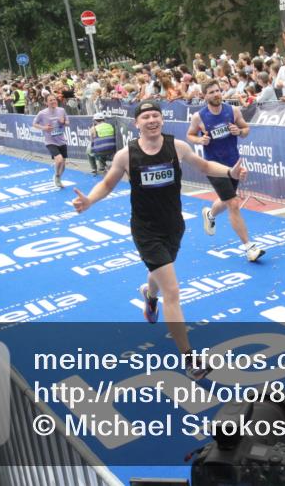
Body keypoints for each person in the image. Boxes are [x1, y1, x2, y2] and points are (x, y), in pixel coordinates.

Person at [72, 101, 248, 380]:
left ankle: (149, 295)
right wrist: (89, 201)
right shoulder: (125, 155)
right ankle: (190, 359)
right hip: (146, 230)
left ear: (162, 120)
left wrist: (229, 172)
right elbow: (107, 184)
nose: (152, 120)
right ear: (136, 123)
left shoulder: (177, 147)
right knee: (173, 291)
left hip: (173, 225)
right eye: (145, 117)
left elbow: (203, 165)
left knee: (159, 272)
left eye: (156, 115)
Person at [187, 81, 265, 263]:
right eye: (212, 92)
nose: (216, 94)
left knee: (226, 199)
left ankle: (210, 214)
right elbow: (189, 135)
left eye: (218, 91)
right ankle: (249, 247)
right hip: (214, 166)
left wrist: (239, 131)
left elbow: (246, 130)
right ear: (205, 96)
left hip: (233, 164)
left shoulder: (233, 111)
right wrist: (200, 141)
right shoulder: (199, 117)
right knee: (233, 203)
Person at [33, 94, 69, 188]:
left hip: (61, 140)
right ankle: (57, 175)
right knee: (59, 159)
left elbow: (67, 123)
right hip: (50, 141)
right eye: (50, 100)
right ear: (46, 102)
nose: (53, 101)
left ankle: (59, 177)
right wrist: (44, 128)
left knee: (63, 164)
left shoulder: (62, 110)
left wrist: (63, 122)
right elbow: (34, 124)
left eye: (54, 99)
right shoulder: (42, 113)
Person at [88, 112, 117, 176]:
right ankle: (102, 166)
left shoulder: (94, 128)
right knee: (101, 147)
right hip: (112, 150)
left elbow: (91, 140)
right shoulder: (110, 126)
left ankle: (94, 169)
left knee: (89, 151)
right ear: (104, 119)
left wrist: (93, 127)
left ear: (95, 120)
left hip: (100, 152)